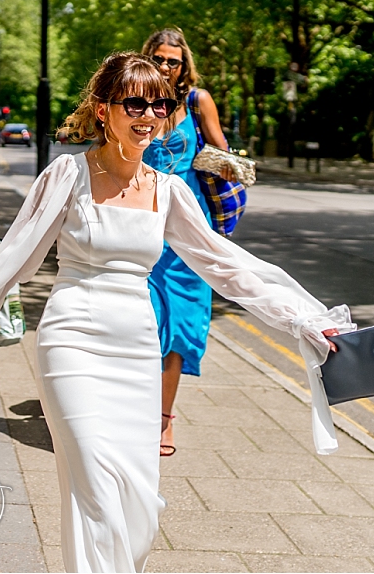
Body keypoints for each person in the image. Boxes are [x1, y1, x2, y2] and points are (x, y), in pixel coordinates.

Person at [0, 52, 350, 572]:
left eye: (162, 104)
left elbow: (228, 266)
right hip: (71, 342)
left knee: (140, 505)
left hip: (136, 351)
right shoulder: (67, 175)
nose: (149, 115)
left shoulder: (168, 191)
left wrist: (305, 318)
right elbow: (12, 260)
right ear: (103, 109)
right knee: (95, 488)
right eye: (135, 103)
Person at [140, 28, 236, 457]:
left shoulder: (198, 101)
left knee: (181, 322)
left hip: (188, 230)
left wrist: (225, 167)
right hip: (140, 224)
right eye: (158, 58)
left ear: (184, 66)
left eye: (172, 61)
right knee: (140, 323)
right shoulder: (133, 97)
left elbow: (223, 154)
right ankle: (131, 413)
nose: (164, 67)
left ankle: (163, 420)